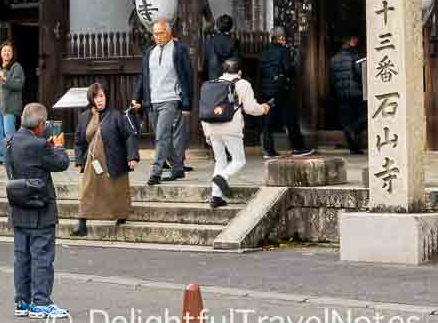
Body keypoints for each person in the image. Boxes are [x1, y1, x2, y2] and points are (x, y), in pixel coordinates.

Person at [4, 102, 70, 320]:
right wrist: (58, 147)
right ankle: (41, 302)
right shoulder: (40, 146)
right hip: (40, 207)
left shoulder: (10, 141)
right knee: (42, 256)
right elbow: (61, 163)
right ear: (41, 124)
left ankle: (22, 301)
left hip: (18, 206)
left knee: (21, 257)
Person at [130, 18, 194, 186]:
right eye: (155, 34)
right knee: (162, 137)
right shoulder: (150, 52)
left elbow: (188, 76)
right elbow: (143, 77)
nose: (157, 37)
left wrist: (187, 103)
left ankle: (156, 172)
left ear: (169, 32)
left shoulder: (179, 50)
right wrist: (137, 98)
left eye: (161, 33)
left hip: (170, 99)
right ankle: (178, 168)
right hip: (152, 101)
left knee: (162, 135)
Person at [198, 57, 268, 208]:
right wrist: (263, 109)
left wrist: (206, 133)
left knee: (220, 160)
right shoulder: (242, 84)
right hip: (230, 128)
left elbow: (204, 110)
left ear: (223, 71)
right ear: (240, 72)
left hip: (211, 127)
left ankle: (216, 197)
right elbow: (250, 108)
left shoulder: (210, 85)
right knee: (239, 160)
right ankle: (222, 177)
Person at [70, 82, 138, 237]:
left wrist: (132, 156)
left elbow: (129, 135)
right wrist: (79, 158)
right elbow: (79, 140)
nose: (99, 100)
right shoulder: (84, 116)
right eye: (95, 97)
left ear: (106, 97)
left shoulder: (116, 115)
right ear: (91, 99)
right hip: (92, 161)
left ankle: (121, 215)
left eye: (101, 96)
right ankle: (81, 223)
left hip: (114, 158)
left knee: (117, 189)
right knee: (87, 190)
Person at [259, 24, 313, 158]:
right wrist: (295, 62)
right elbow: (288, 69)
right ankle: (297, 148)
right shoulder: (283, 51)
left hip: (267, 89)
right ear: (281, 38)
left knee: (268, 120)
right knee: (290, 118)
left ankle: (268, 150)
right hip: (281, 89)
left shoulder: (264, 51)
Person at [0, 41, 24, 164]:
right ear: (0, 53)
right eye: (4, 51)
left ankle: (11, 156)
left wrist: (5, 79)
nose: (6, 53)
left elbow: (19, 84)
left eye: (9, 51)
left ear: (12, 54)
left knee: (9, 131)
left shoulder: (16, 67)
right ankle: (0, 156)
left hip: (10, 104)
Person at [329, 35, 365, 154]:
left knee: (346, 121)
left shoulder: (333, 59)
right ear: (351, 41)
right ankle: (356, 144)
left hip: (341, 95)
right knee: (359, 119)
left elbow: (333, 80)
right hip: (355, 93)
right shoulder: (354, 57)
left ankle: (352, 148)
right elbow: (360, 74)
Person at [202, 14, 236, 88]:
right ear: (230, 26)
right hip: (229, 82)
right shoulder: (235, 42)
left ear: (217, 25)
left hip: (214, 82)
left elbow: (205, 61)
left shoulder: (211, 41)